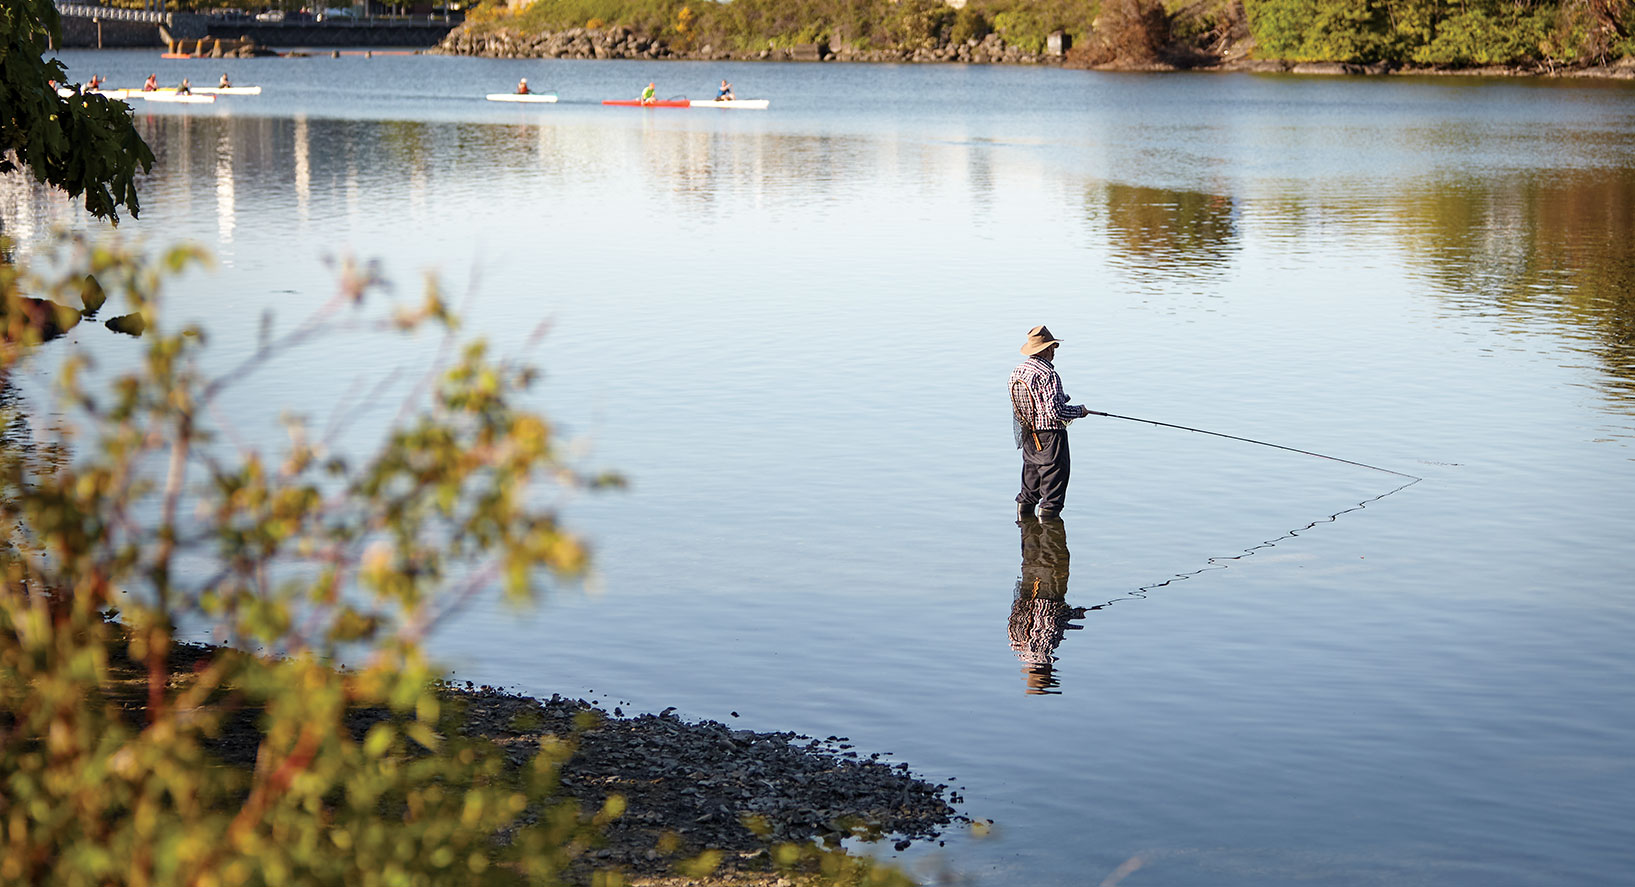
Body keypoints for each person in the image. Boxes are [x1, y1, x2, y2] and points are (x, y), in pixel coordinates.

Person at [1009, 325, 1090, 521]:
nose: (1054, 351)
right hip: (1051, 439)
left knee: (1029, 490)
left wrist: (1062, 398)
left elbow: (1032, 404)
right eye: (1053, 347)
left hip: (1029, 436)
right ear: (1045, 349)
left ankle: (1027, 538)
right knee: (1053, 495)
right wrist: (1080, 411)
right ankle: (1050, 543)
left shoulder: (1018, 371)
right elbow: (1056, 413)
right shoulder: (1048, 375)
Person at [1009, 514, 1088, 694]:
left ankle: (1044, 519)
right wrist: (1075, 616)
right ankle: (1037, 519)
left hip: (1048, 593)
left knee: (1053, 554)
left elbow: (1055, 621)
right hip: (1026, 589)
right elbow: (1052, 622)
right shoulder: (1014, 644)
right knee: (1035, 549)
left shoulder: (1039, 649)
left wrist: (1077, 616)